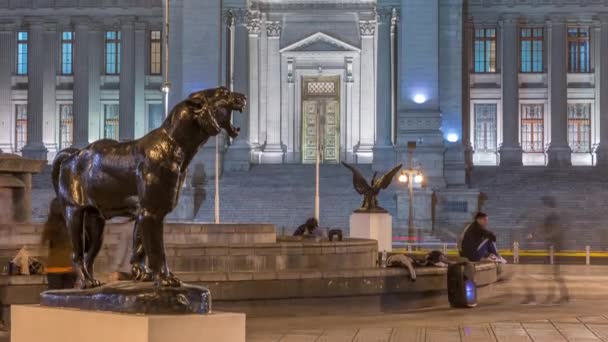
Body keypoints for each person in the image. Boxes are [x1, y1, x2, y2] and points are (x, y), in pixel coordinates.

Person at [41, 198, 77, 290]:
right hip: (70, 267)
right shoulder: (72, 225)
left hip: (54, 267)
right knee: (68, 299)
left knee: (55, 299)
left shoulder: (49, 226)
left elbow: (43, 246)